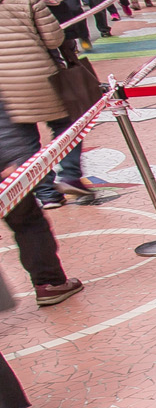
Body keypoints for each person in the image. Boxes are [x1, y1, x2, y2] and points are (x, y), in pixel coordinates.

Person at [0, 0, 90, 207]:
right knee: (68, 126)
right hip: (39, 75)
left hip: (4, 87)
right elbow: (53, 39)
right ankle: (71, 175)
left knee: (24, 142)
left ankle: (47, 194)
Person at [0, 101, 84, 307]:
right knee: (28, 222)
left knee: (27, 221)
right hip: (4, 163)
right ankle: (50, 283)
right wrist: (13, 159)